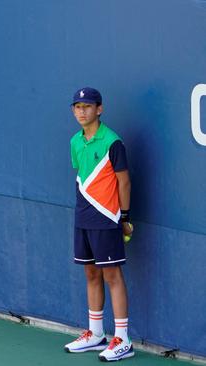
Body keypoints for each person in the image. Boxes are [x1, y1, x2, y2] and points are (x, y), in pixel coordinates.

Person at [64, 87, 135, 362]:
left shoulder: (113, 142)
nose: (82, 111)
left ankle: (123, 339)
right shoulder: (74, 141)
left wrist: (125, 217)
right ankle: (96, 334)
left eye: (87, 106)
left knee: (112, 276)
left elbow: (124, 181)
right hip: (83, 216)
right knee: (91, 274)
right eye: (77, 107)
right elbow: (82, 177)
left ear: (99, 109)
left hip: (107, 218)